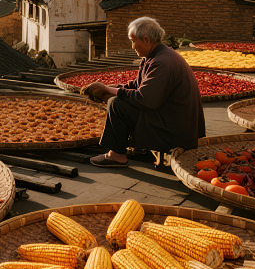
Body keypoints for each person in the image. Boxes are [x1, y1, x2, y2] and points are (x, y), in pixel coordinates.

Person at [83, 17, 205, 168]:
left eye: (133, 41)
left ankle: (116, 155)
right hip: (169, 115)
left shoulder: (162, 62)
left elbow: (146, 99)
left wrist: (108, 90)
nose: (133, 46)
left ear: (146, 40)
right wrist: (111, 87)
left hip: (174, 127)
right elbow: (138, 85)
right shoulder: (155, 56)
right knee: (116, 98)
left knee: (117, 104)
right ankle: (130, 149)